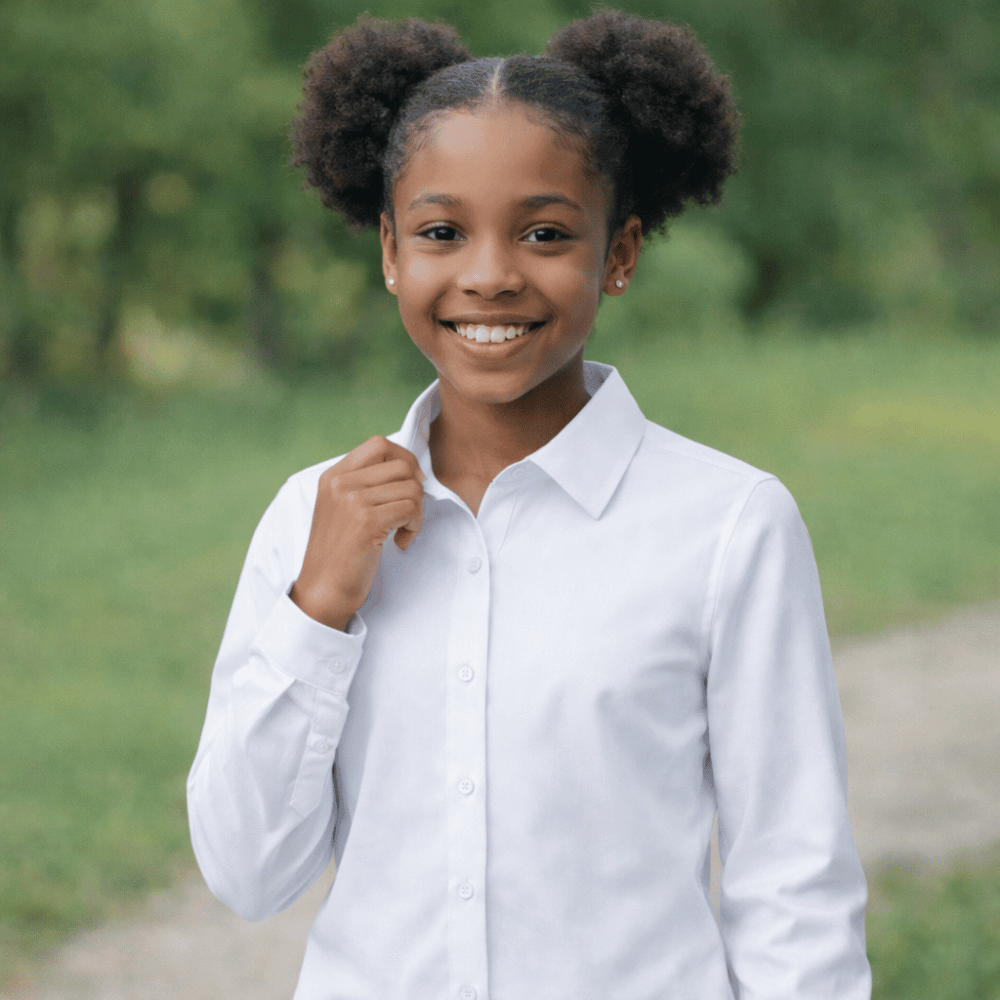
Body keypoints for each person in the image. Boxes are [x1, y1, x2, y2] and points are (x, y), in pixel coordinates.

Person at [187, 10, 871, 999]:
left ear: (620, 252)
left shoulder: (728, 526)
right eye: (439, 231)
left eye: (545, 232)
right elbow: (246, 873)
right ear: (389, 251)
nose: (490, 274)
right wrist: (320, 606)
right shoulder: (312, 517)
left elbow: (792, 882)